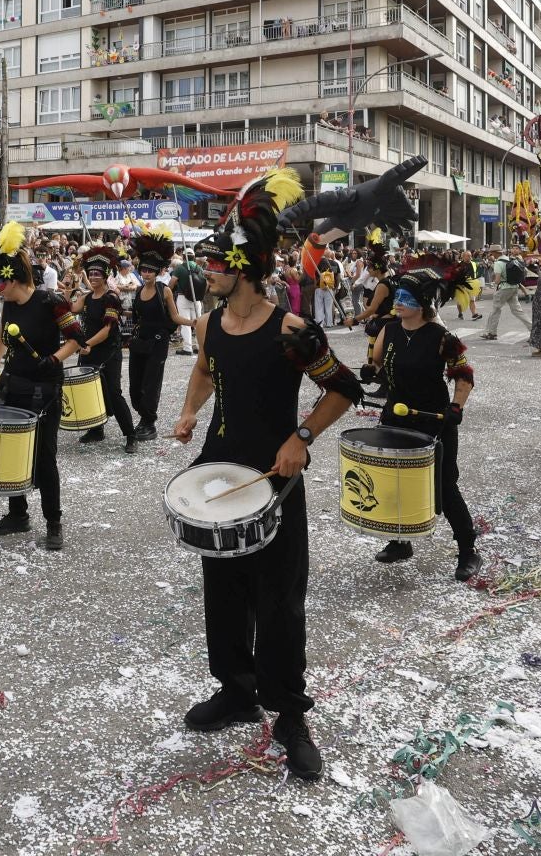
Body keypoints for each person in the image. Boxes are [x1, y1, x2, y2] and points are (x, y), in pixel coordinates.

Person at [171, 170, 361, 781]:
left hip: (274, 474)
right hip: (219, 471)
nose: (207, 274)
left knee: (280, 601)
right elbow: (205, 369)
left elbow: (344, 389)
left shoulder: (293, 332)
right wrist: (188, 410)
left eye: (216, 265)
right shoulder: (209, 325)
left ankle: (289, 714)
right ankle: (236, 687)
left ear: (244, 267)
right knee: (222, 591)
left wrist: (301, 438)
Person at [0, 222, 84, 550]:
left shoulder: (51, 301)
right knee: (11, 452)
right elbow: (3, 338)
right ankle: (18, 514)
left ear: (14, 279)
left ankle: (53, 521)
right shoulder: (9, 305)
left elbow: (75, 338)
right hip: (13, 385)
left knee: (44, 458)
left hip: (44, 390)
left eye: (0, 281)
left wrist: (54, 359)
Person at [367, 268, 481, 580]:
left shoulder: (442, 338)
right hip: (395, 418)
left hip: (434, 421)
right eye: (397, 296)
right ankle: (400, 541)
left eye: (405, 297)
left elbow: (464, 376)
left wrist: (456, 406)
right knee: (395, 481)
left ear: (423, 303)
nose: (398, 301)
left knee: (444, 486)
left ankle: (468, 550)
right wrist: (370, 372)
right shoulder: (388, 331)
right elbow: (377, 363)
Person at [73, 243, 138, 451]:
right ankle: (96, 430)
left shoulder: (111, 298)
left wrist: (86, 343)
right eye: (90, 274)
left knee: (114, 393)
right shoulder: (86, 297)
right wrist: (67, 291)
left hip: (108, 352)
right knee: (92, 392)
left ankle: (130, 435)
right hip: (89, 351)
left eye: (97, 274)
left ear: (105, 276)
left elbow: (108, 330)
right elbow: (71, 309)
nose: (93, 277)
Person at [127, 229, 189, 441]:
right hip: (139, 342)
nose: (146, 273)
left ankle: (148, 422)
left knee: (150, 384)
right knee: (135, 386)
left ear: (157, 272)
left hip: (158, 343)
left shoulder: (165, 291)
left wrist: (193, 322)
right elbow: (136, 315)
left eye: (150, 271)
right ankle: (142, 416)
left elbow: (175, 317)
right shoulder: (137, 291)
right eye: (143, 270)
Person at [481, 248, 529, 338]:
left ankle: (491, 332)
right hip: (514, 287)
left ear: (495, 253)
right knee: (518, 311)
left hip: (503, 289)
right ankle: (533, 329)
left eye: (491, 253)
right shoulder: (510, 259)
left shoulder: (498, 263)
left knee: (495, 310)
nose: (491, 254)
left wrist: (493, 283)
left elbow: (497, 279)